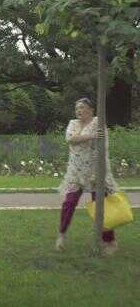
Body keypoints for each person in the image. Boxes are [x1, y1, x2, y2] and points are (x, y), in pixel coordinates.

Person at [56, 97, 119, 255]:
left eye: (82, 107)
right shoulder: (73, 123)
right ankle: (61, 236)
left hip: (95, 171)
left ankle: (111, 242)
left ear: (91, 109)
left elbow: (102, 144)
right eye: (77, 108)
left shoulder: (98, 122)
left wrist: (99, 171)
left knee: (100, 206)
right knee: (69, 203)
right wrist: (90, 137)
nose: (79, 110)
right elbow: (70, 139)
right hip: (76, 171)